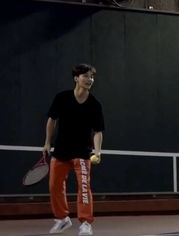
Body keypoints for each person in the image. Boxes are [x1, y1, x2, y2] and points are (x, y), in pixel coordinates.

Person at [43, 63, 105, 236]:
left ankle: (85, 223)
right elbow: (51, 120)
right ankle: (62, 219)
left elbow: (98, 131)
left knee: (84, 188)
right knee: (54, 186)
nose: (90, 80)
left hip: (82, 152)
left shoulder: (94, 105)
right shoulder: (62, 98)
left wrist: (97, 151)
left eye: (92, 77)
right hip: (61, 150)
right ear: (76, 78)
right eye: (85, 76)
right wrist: (47, 142)